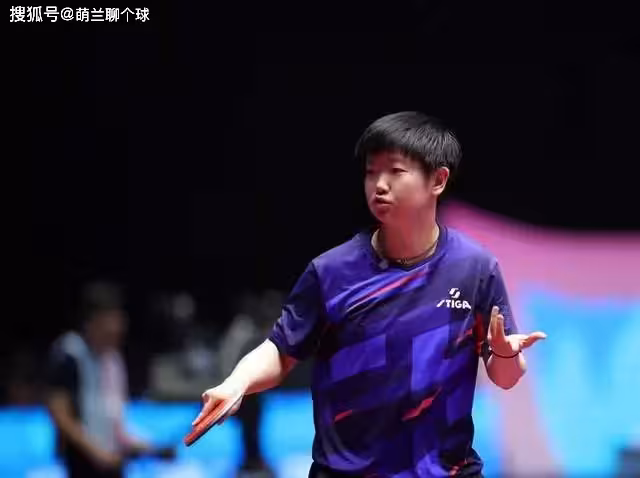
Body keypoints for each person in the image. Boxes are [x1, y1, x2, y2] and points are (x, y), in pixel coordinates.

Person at [192, 112, 547, 477]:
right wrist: (237, 383)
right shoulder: (331, 271)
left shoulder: (475, 268)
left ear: (438, 180)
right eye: (371, 172)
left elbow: (505, 376)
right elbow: (281, 350)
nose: (379, 185)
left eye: (395, 171)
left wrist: (505, 353)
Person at [45, 281, 169, 478]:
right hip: (83, 466)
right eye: (111, 320)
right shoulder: (69, 353)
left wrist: (151, 450)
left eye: (120, 320)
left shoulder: (114, 360)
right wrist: (97, 453)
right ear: (92, 321)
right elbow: (59, 414)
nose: (118, 328)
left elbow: (116, 424)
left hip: (112, 464)